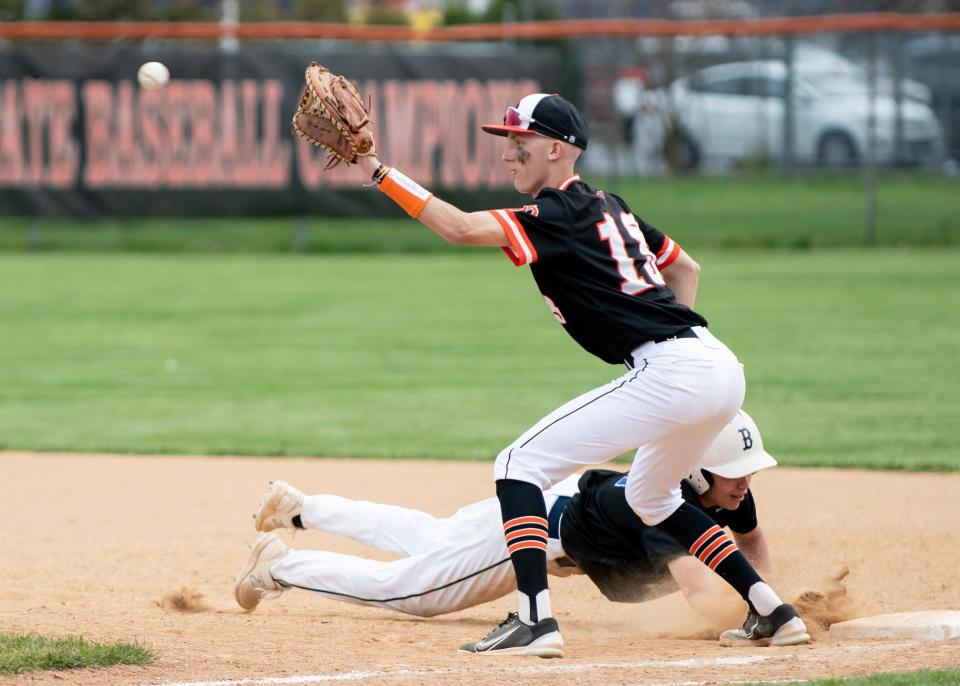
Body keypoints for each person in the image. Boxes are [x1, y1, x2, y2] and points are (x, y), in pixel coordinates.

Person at [326, 92, 807, 656]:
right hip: (717, 364)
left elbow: (457, 228)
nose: (507, 154)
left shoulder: (557, 214)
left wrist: (378, 172)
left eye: (519, 142)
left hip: (673, 368)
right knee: (652, 498)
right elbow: (684, 265)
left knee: (517, 463)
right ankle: (772, 610)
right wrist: (678, 343)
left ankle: (535, 621)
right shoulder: (612, 206)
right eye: (505, 142)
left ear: (557, 148)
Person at [234, 411, 806, 649]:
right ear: (697, 468)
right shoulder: (663, 502)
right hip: (525, 540)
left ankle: (305, 508)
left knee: (432, 537)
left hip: (551, 502)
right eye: (733, 474)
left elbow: (750, 539)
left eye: (747, 473)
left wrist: (766, 592)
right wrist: (751, 614)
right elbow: (701, 593)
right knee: (413, 594)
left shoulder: (722, 488)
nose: (743, 485)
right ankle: (279, 564)